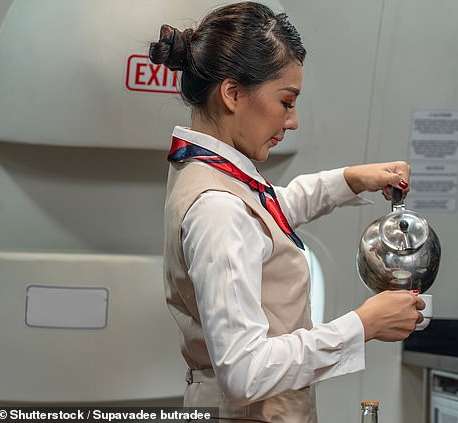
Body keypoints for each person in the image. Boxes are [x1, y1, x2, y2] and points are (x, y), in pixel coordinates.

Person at [151, 2, 425, 421]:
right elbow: (243, 372)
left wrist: (351, 178)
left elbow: (269, 213)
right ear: (233, 93)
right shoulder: (218, 209)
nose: (293, 120)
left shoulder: (213, 174)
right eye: (286, 101)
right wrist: (362, 325)